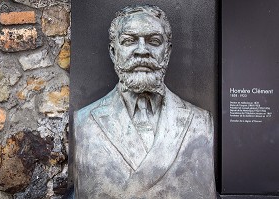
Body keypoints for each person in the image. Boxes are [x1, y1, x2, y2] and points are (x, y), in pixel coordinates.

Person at [73, 5, 216, 199]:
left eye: (154, 41)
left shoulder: (200, 122)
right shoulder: (84, 122)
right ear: (113, 52)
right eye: (129, 41)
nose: (142, 51)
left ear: (167, 52)